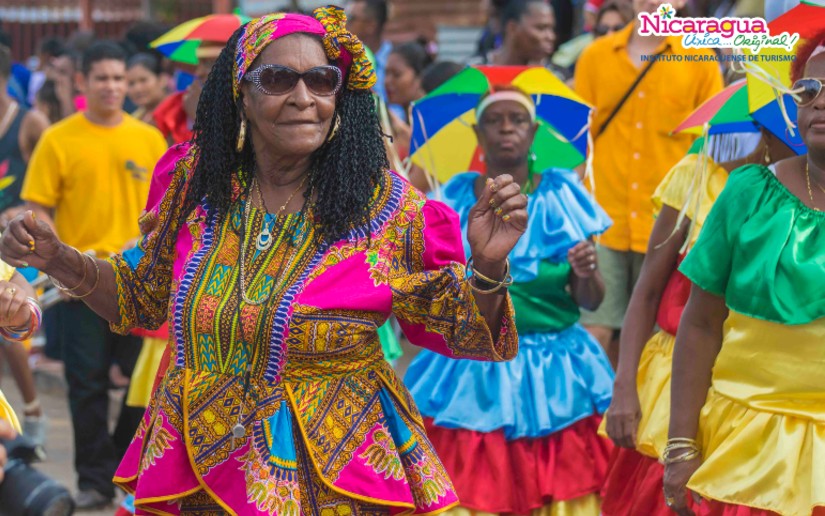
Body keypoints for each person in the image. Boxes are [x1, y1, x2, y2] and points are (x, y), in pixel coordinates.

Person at [1, 8, 526, 513]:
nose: (304, 98)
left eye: (322, 80)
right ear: (241, 94)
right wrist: (58, 259)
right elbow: (142, 299)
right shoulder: (197, 186)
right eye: (278, 79)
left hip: (334, 480)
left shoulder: (388, 208)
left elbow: (461, 330)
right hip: (195, 471)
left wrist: (487, 268)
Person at [405, 85, 613, 515]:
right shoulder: (452, 200)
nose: (506, 130)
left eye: (516, 120)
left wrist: (586, 272)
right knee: (469, 485)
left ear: (533, 131)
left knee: (564, 485)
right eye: (494, 121)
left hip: (557, 368)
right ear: (477, 135)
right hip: (470, 364)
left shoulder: (562, 196)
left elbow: (590, 301)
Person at [663, 34, 825, 515]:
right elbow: (699, 324)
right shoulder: (749, 191)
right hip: (749, 445)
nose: (820, 103)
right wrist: (680, 445)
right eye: (809, 89)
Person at [599, 129, 795, 515]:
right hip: (676, 374)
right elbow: (648, 290)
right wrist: (623, 387)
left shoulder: (800, 203)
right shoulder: (697, 177)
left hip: (747, 386)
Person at [19, 41, 167, 510]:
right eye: (102, 77)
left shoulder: (148, 140)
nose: (112, 87)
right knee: (87, 383)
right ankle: (94, 480)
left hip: (140, 283)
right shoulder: (59, 138)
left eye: (119, 78)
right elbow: (37, 205)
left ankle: (125, 470)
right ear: (82, 82)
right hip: (79, 285)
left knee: (140, 387)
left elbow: (168, 207)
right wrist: (61, 253)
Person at [574, 0, 723, 362]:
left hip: (669, 223)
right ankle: (598, 415)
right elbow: (580, 140)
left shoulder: (700, 58)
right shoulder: (595, 57)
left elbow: (712, 143)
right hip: (603, 217)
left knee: (660, 335)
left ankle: (644, 413)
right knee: (596, 330)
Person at [0, 42, 50, 448]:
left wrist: (23, 208)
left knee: (12, 327)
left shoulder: (30, 122)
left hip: (15, 241)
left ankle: (31, 412)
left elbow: (50, 184)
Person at [469, 0, 568, 81]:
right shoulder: (474, 72)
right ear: (512, 28)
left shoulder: (557, 78)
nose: (551, 36)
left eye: (552, 29)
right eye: (541, 28)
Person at [154, 43, 222, 145]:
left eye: (208, 64)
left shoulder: (246, 106)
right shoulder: (176, 104)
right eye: (199, 63)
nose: (198, 72)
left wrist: (199, 117)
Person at [384, 40, 432, 162]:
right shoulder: (401, 120)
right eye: (386, 73)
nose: (387, 81)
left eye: (396, 74)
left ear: (419, 77)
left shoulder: (430, 123)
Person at [126, 53, 169, 126]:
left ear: (162, 80)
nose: (137, 89)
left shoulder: (180, 112)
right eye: (131, 83)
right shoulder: (132, 120)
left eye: (143, 80)